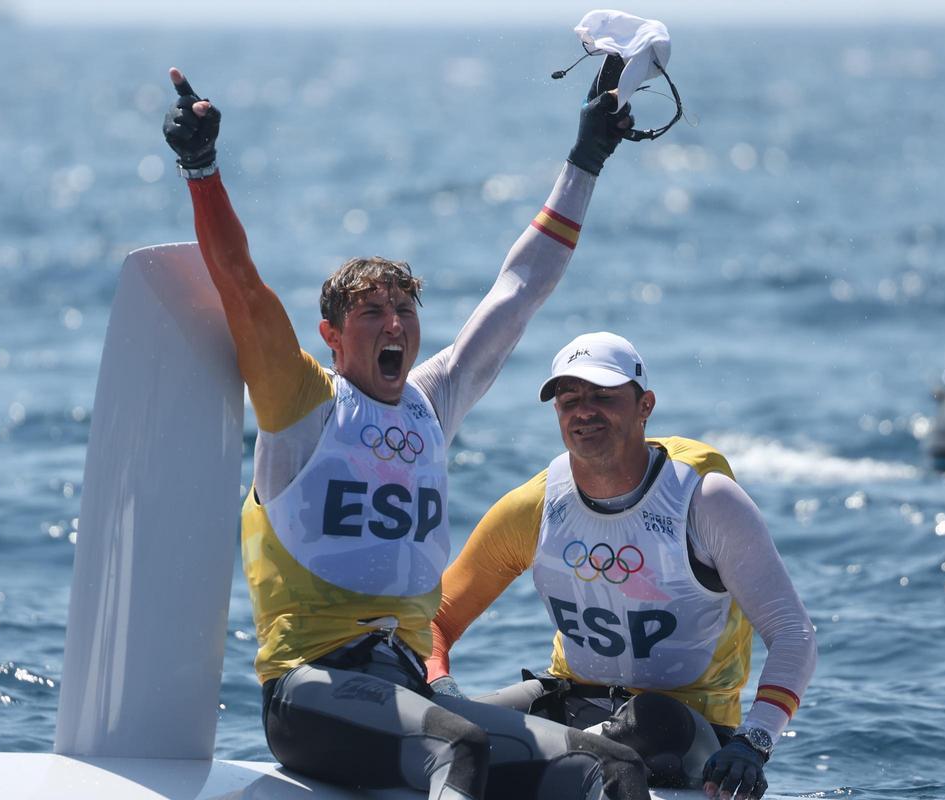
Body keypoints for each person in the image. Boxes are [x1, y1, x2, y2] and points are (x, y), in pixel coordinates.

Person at [162, 57, 656, 800]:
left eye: (405, 311)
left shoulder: (433, 401)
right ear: (331, 334)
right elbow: (240, 283)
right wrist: (201, 168)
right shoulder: (301, 402)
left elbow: (520, 289)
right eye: (372, 313)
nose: (395, 325)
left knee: (609, 766)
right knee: (455, 749)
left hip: (409, 690)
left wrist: (585, 158)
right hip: (311, 692)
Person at [428, 332, 818, 800]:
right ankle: (519, 760)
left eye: (602, 397)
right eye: (569, 399)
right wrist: (444, 696)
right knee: (446, 724)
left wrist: (754, 743)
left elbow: (793, 634)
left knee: (652, 717)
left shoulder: (706, 502)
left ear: (644, 406)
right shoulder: (534, 507)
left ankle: (520, 762)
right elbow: (436, 619)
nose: (583, 411)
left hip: (680, 729)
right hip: (567, 703)